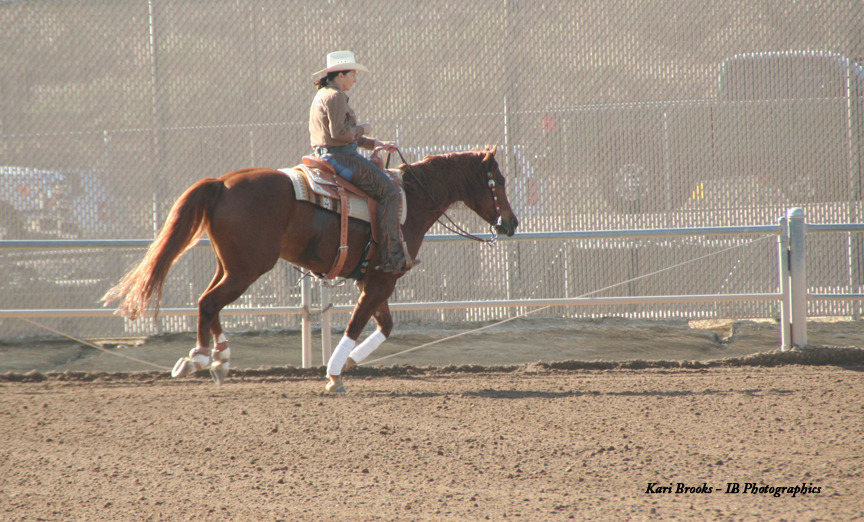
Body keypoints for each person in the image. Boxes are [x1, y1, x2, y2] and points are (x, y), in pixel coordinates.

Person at [309, 50, 417, 273]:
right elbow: (340, 133)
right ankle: (392, 256)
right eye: (353, 74)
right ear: (340, 76)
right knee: (389, 191)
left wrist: (375, 142)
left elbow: (340, 134)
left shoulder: (323, 94)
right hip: (341, 157)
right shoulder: (336, 96)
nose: (355, 80)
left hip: (330, 153)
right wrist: (363, 129)